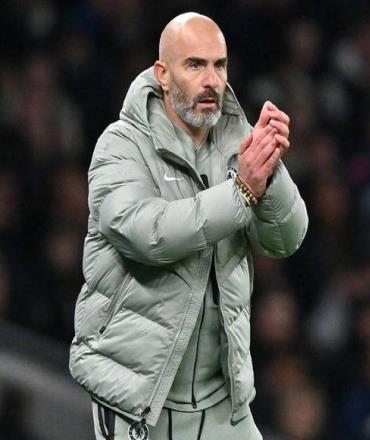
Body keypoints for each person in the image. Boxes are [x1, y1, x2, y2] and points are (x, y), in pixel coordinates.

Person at [69, 11, 308, 440]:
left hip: (222, 404)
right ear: (162, 73)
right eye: (195, 65)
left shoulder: (237, 141)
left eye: (219, 65)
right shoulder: (121, 145)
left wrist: (268, 170)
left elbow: (285, 240)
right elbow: (148, 235)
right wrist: (241, 192)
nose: (211, 80)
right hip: (140, 401)